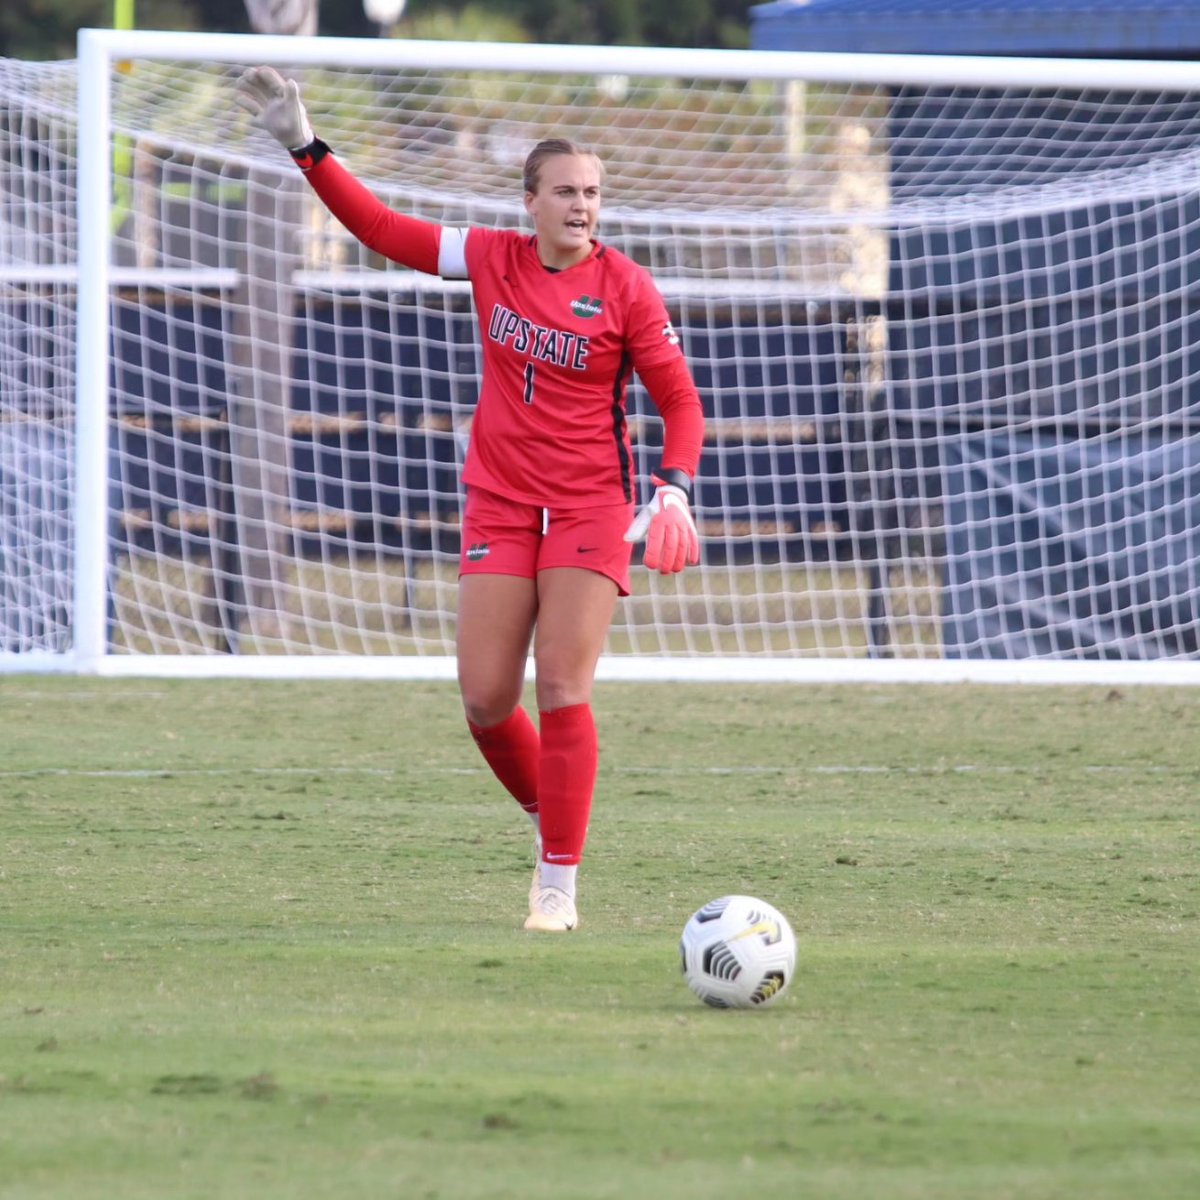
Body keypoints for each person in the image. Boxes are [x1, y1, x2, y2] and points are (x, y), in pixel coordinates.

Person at [236, 67, 705, 932]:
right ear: (530, 202)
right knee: (487, 702)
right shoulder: (492, 257)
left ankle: (557, 881)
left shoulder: (628, 287)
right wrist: (305, 146)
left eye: (592, 192)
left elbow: (681, 400)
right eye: (565, 191)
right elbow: (381, 229)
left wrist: (673, 490)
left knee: (560, 682)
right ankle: (553, 816)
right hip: (500, 503)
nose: (582, 205)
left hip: (590, 507)